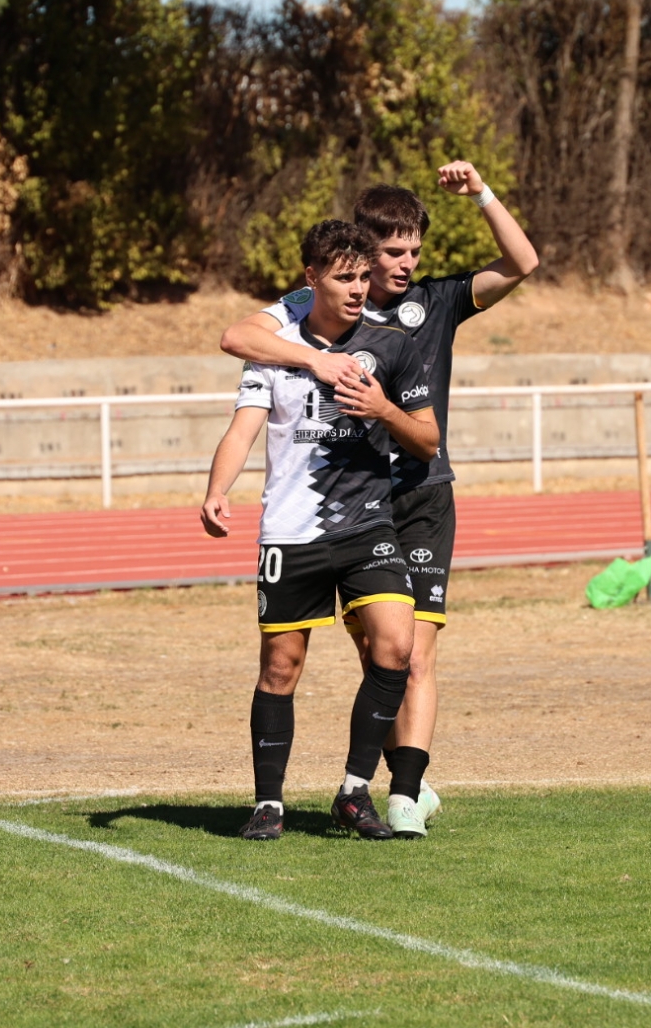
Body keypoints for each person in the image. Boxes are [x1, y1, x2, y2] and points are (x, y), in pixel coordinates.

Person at [219, 161, 539, 837]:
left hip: (418, 495)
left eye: (413, 251)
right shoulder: (310, 303)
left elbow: (523, 262)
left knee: (410, 650)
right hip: (343, 505)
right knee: (366, 657)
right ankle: (344, 786)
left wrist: (481, 193)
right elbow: (238, 337)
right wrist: (313, 361)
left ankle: (402, 794)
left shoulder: (435, 303)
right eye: (391, 252)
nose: (404, 264)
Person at [201, 219, 440, 841]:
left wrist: (384, 410)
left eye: (363, 276)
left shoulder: (392, 345)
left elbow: (427, 440)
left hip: (367, 526)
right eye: (344, 278)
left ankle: (355, 791)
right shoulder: (274, 350)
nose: (358, 288)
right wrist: (217, 490)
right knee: (281, 668)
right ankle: (268, 804)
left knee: (396, 648)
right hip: (290, 533)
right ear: (312, 279)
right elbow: (242, 431)